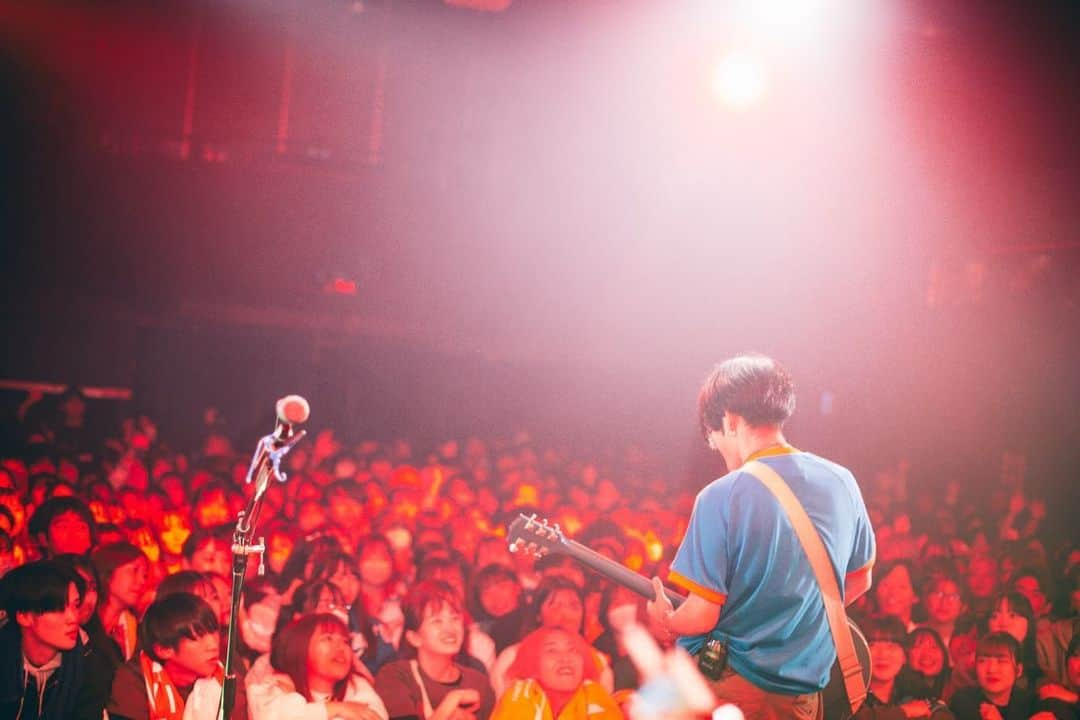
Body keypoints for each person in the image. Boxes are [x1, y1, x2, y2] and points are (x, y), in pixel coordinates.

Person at [647, 354, 876, 720]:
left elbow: (702, 616)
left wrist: (667, 619)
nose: (719, 450)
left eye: (715, 438)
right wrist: (797, 620)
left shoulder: (721, 495)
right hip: (803, 697)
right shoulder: (841, 482)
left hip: (732, 692)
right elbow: (859, 579)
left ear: (730, 420)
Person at [106, 592, 244, 720]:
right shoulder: (134, 680)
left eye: (213, 632)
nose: (213, 645)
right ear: (164, 650)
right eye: (198, 637)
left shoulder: (226, 676)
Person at [0, 560, 109, 720]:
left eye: (75, 605)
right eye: (59, 608)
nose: (73, 618)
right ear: (24, 616)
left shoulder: (90, 666)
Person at [374, 580, 495, 720]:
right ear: (414, 638)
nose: (450, 629)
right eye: (437, 621)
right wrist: (452, 701)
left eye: (455, 618)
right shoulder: (396, 675)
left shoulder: (479, 683)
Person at [247, 612, 387, 720]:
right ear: (299, 645)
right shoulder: (274, 685)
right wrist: (337, 709)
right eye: (328, 638)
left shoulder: (357, 685)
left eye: (346, 641)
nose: (341, 647)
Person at [490, 627, 623, 720]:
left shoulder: (597, 696)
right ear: (534, 663)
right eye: (552, 650)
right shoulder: (517, 696)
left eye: (573, 650)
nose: (565, 658)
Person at [948, 632, 1035, 720]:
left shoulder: (1028, 702)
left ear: (1019, 670)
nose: (991, 669)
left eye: (1001, 661)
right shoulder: (963, 700)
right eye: (983, 661)